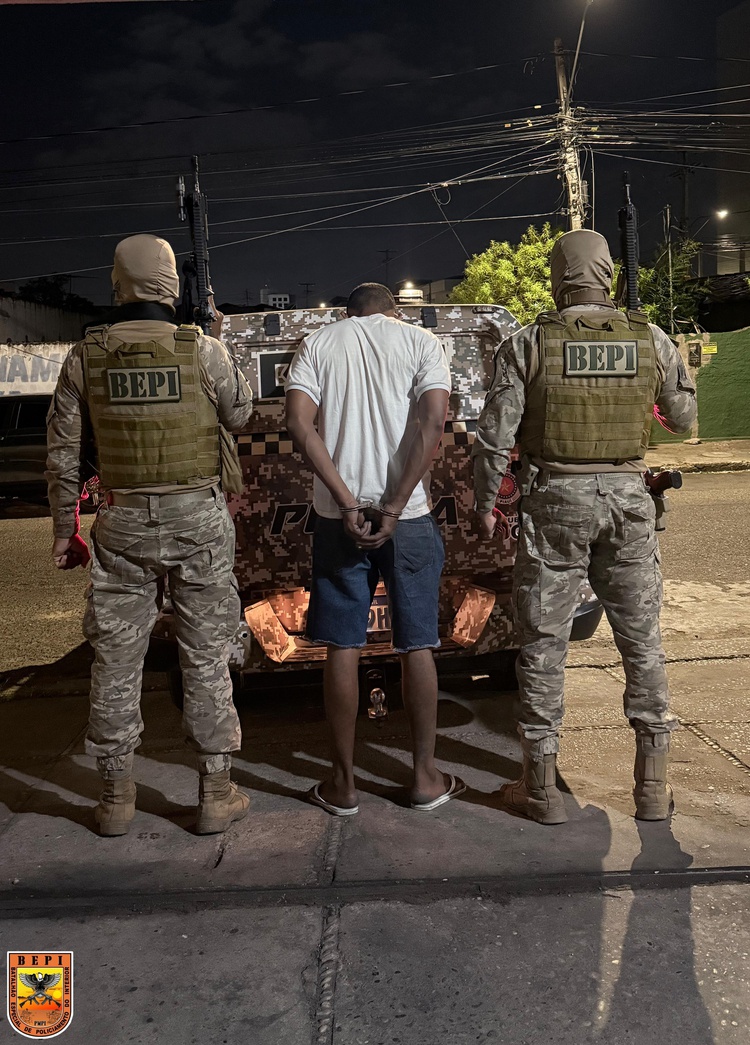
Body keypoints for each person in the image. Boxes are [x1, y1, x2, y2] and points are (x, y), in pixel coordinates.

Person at [472, 229, 697, 825]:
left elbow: (494, 439)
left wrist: (484, 505)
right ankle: (652, 789)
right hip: (629, 504)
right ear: (608, 277)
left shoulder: (529, 343)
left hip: (554, 502)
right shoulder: (650, 338)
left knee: (543, 645)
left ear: (557, 277)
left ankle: (542, 791)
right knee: (642, 643)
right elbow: (682, 418)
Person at [46, 234, 254, 837]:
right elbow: (241, 415)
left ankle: (115, 798)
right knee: (207, 655)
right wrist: (217, 336)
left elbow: (61, 454)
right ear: (171, 285)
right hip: (198, 520)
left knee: (115, 659)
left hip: (122, 522)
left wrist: (64, 530)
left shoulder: (85, 356)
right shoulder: (203, 350)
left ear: (117, 283)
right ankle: (215, 792)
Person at [284, 282, 464, 815]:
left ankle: (342, 786)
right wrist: (395, 504)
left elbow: (298, 424)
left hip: (337, 518)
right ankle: (425, 779)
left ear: (348, 312)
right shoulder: (421, 342)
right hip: (407, 517)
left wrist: (345, 502)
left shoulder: (318, 343)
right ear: (394, 309)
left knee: (342, 646)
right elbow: (433, 422)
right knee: (417, 645)